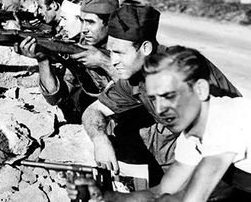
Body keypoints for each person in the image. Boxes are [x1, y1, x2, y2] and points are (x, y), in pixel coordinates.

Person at [78, 4, 241, 189]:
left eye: (119, 53)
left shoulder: (182, 70)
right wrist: (100, 140)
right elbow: (93, 111)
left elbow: (223, 129)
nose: (113, 61)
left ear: (145, 48)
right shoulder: (134, 78)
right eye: (111, 51)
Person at [68, 46, 251, 201]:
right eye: (154, 98)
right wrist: (104, 195)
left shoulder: (224, 119)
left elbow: (190, 198)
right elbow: (160, 192)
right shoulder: (190, 137)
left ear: (201, 89)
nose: (160, 108)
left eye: (169, 95)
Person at [16, 0, 119, 123]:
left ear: (110, 23)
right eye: (82, 21)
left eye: (90, 23)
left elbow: (140, 94)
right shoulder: (84, 48)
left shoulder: (131, 48)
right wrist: (42, 60)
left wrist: (104, 62)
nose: (84, 29)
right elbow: (56, 97)